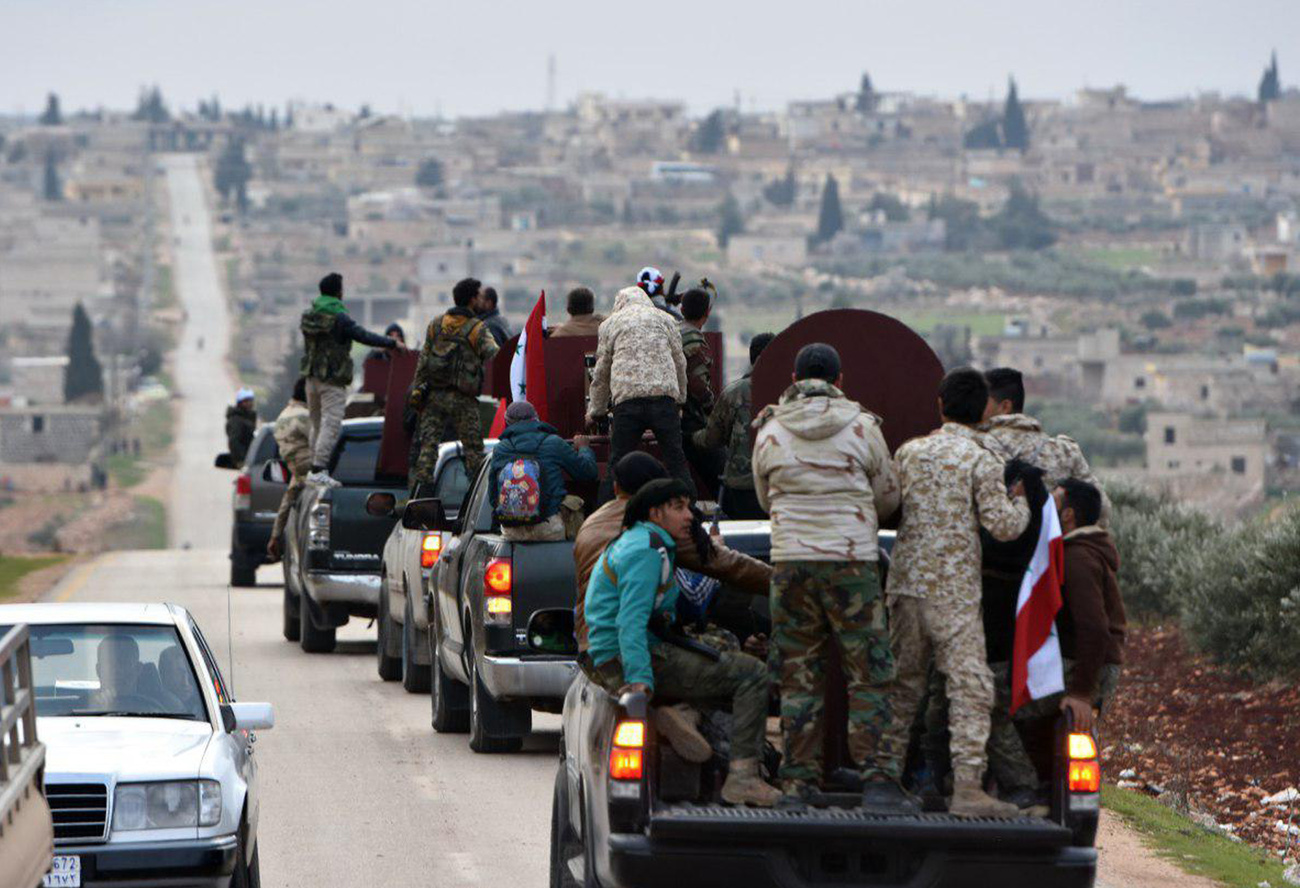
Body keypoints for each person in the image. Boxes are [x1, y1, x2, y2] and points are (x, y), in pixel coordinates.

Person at [752, 343, 904, 805]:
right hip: (852, 564)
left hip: (791, 564)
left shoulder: (770, 429)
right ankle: (878, 780)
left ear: (795, 376)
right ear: (840, 381)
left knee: (799, 678)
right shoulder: (862, 427)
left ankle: (798, 783)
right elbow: (887, 497)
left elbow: (764, 499)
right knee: (870, 674)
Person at [877, 368, 1031, 817]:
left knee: (903, 688)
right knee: (969, 687)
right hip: (956, 596)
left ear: (940, 404)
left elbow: (886, 505)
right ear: (983, 412)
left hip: (906, 587)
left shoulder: (911, 452)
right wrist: (1020, 499)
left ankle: (884, 781)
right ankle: (967, 788)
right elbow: (1002, 527)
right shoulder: (982, 459)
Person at [583, 478, 781, 807]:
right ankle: (743, 779)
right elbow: (629, 621)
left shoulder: (644, 541)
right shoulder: (646, 551)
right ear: (655, 512)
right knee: (752, 674)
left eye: (688, 506)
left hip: (625, 651)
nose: (689, 515)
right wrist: (640, 685)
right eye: (679, 507)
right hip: (627, 657)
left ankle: (685, 711)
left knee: (721, 649)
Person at [573, 451, 771, 653]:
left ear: (616, 487)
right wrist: (784, 584)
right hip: (637, 644)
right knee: (742, 667)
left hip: (589, 643)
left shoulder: (590, 524)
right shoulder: (658, 521)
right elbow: (729, 566)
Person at [1016, 479, 1126, 780]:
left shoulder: (1078, 556)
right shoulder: (1086, 550)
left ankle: (1023, 787)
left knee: (1004, 704)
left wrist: (1080, 693)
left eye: (1055, 502)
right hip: (1088, 665)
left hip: (1084, 668)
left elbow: (1095, 628)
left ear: (1068, 515)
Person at [587, 287, 691, 499]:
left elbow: (602, 372)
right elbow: (680, 362)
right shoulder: (666, 319)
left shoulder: (610, 324)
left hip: (627, 403)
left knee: (616, 464)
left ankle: (604, 512)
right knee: (675, 461)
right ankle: (689, 509)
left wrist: (596, 410)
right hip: (664, 400)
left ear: (619, 304)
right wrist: (680, 399)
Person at [300, 272, 399, 486]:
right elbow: (362, 335)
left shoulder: (311, 314)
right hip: (332, 380)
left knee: (316, 423)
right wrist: (390, 343)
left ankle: (312, 469)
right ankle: (319, 468)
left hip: (311, 378)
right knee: (332, 422)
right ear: (338, 292)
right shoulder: (339, 316)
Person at [983, 367, 1110, 524]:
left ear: (1005, 407)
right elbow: (1101, 509)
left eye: (980, 402)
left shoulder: (974, 450)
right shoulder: (1065, 452)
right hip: (1054, 547)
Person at [409, 277, 500, 486]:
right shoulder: (477, 328)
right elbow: (495, 354)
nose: (480, 299)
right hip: (463, 400)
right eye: (478, 295)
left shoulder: (436, 324)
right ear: (471, 299)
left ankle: (420, 497)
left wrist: (417, 391)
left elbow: (423, 360)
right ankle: (475, 501)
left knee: (427, 450)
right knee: (474, 454)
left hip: (434, 397)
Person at [489, 400, 597, 542]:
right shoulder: (554, 442)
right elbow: (588, 473)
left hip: (512, 531)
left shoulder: (500, 449)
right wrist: (584, 448)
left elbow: (493, 497)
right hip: (549, 527)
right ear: (536, 418)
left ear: (507, 422)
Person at [694, 333, 774, 520]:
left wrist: (689, 436)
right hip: (779, 486)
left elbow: (711, 439)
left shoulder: (734, 393)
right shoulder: (788, 391)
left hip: (742, 489)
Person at [677, 287, 724, 498]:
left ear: (681, 308)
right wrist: (712, 410)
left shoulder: (675, 331)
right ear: (708, 312)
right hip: (693, 420)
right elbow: (697, 384)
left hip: (677, 416)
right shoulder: (693, 337)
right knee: (723, 476)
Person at [267, 378, 312, 561]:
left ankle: (274, 538)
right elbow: (323, 444)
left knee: (288, 499)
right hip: (312, 467)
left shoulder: (282, 417)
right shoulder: (304, 416)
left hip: (297, 470)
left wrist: (276, 534)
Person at [225, 388, 257, 465]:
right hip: (244, 461)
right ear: (240, 403)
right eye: (246, 401)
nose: (249, 403)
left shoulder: (249, 417)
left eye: (250, 400)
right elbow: (234, 441)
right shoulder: (236, 420)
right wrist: (242, 459)